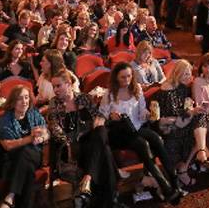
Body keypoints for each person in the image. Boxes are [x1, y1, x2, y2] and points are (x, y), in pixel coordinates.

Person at [99, 62, 181, 204]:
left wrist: (146, 113)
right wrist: (111, 116)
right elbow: (101, 116)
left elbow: (142, 109)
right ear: (116, 78)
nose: (126, 80)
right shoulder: (110, 94)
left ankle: (173, 180)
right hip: (119, 132)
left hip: (136, 127)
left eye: (129, 76)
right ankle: (164, 186)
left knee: (157, 139)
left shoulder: (136, 88)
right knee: (142, 144)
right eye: (122, 77)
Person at [46, 70, 119, 207]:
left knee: (101, 130)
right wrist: (69, 141)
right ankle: (111, 200)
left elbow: (98, 116)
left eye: (58, 86)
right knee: (105, 152)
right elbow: (55, 129)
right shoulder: (54, 103)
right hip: (71, 148)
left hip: (89, 143)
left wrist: (100, 120)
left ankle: (88, 179)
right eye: (53, 86)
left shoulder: (83, 98)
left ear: (68, 84)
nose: (55, 90)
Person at [0, 86, 49, 208]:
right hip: (13, 158)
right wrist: (30, 139)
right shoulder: (5, 119)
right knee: (27, 166)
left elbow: (47, 133)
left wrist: (41, 138)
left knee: (25, 152)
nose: (24, 101)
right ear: (13, 101)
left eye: (26, 97)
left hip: (36, 154)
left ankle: (10, 195)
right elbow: (8, 146)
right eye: (20, 99)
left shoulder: (34, 113)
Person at [151, 60, 198, 187]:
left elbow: (185, 109)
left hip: (179, 122)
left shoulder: (183, 87)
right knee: (184, 132)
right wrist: (188, 112)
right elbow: (172, 113)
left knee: (199, 129)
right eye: (186, 74)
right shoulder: (167, 88)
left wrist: (190, 108)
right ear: (178, 74)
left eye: (190, 74)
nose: (189, 77)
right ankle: (178, 171)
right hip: (167, 125)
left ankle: (183, 168)